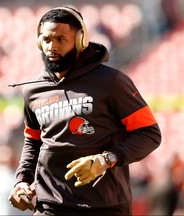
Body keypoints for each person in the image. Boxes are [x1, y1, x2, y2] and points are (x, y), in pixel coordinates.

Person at [8, 6, 161, 216]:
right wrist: (22, 181)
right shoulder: (32, 89)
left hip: (104, 206)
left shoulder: (112, 82)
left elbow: (149, 133)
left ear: (80, 40)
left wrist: (105, 160)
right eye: (46, 40)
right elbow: (33, 141)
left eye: (61, 39)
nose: (51, 47)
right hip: (50, 205)